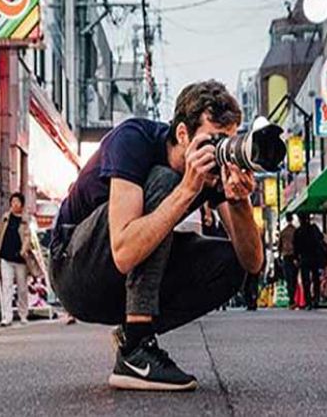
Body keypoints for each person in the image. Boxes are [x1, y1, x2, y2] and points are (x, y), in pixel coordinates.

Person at [50, 80, 261, 392]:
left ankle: (130, 335)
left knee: (231, 264)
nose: (217, 153)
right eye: (210, 141)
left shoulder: (212, 171)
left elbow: (252, 261)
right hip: (75, 271)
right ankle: (136, 349)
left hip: (117, 288)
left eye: (225, 142)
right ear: (181, 134)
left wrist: (240, 200)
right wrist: (187, 189)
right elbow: (122, 251)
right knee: (164, 180)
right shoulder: (134, 139)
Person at [0, 192, 33, 327]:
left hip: (20, 258)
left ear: (22, 204)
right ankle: (6, 316)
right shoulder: (5, 218)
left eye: (17, 202)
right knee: (6, 287)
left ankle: (23, 314)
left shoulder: (25, 220)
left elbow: (27, 236)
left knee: (22, 288)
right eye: (13, 202)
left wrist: (24, 250)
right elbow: (0, 236)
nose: (14, 204)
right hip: (5, 257)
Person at [295, 214, 323, 310]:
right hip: (314, 257)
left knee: (305, 280)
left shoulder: (298, 231)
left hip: (304, 258)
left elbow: (296, 247)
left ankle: (308, 302)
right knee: (316, 280)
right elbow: (320, 240)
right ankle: (316, 299)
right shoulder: (314, 229)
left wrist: (296, 258)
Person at [278, 213, 298, 309]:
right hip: (294, 257)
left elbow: (279, 246)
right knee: (294, 278)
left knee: (288, 279)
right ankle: (292, 299)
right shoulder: (295, 230)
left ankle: (291, 300)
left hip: (286, 257)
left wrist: (279, 257)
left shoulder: (283, 232)